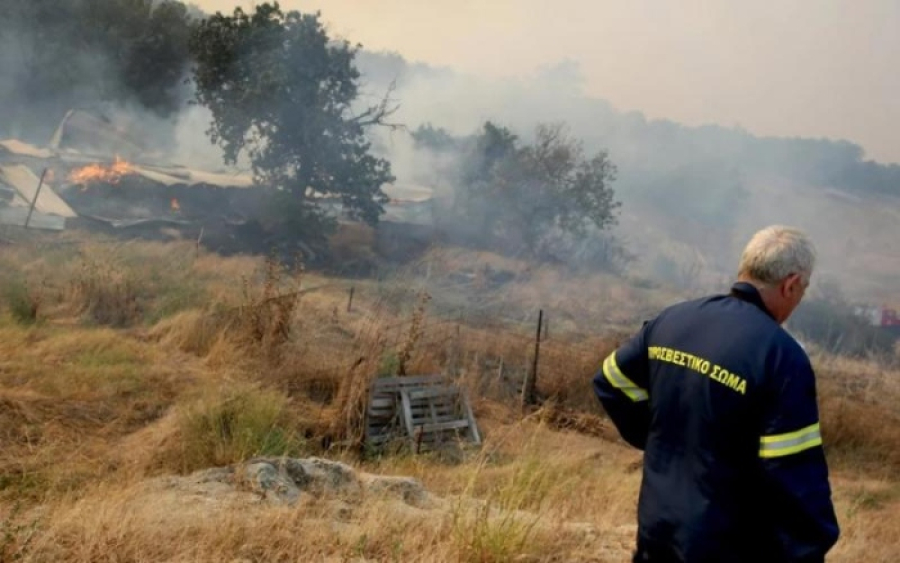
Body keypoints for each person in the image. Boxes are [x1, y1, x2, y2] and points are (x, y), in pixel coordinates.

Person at [593, 225, 840, 563]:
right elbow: (793, 473)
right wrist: (811, 546)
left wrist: (659, 437)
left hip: (657, 533)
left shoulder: (674, 319)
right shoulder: (781, 356)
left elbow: (610, 381)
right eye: (803, 290)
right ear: (791, 284)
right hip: (726, 547)